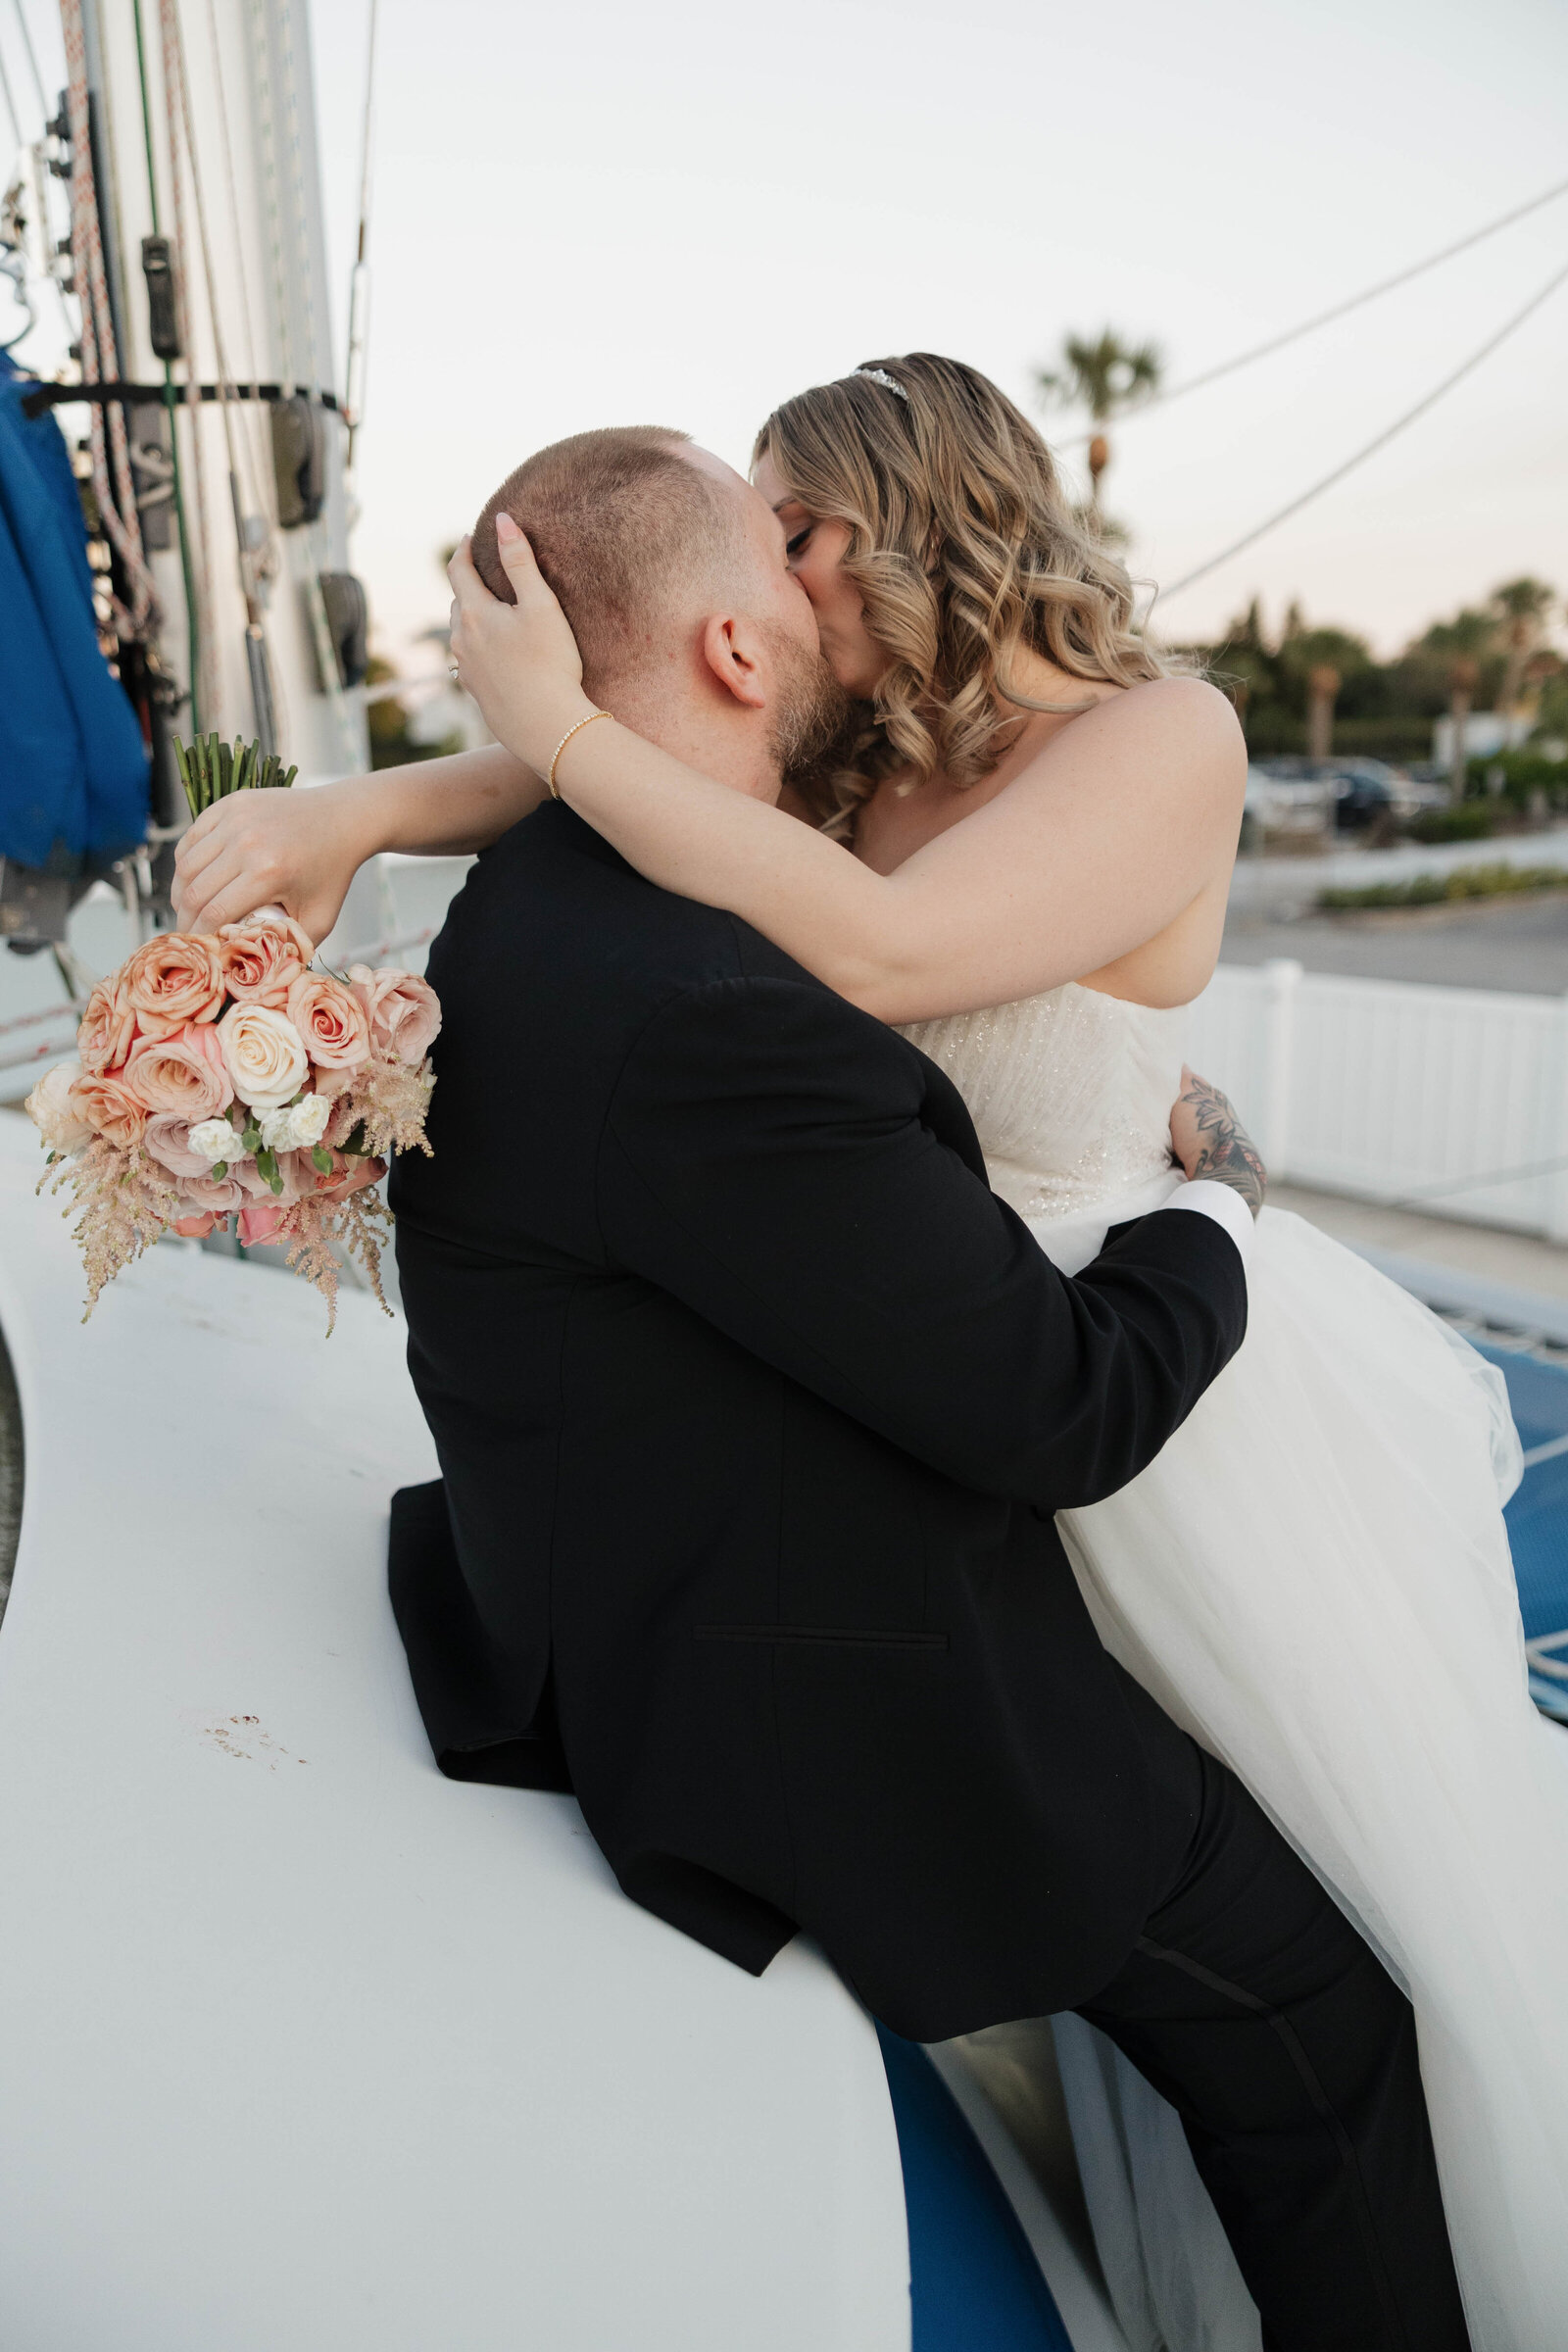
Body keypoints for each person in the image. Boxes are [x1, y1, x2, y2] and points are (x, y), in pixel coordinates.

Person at [175, 398, 1488, 2349]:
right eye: (754, 550)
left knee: (1366, 1898)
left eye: (794, 528)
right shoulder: (790, 803)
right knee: (1271, 1997)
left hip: (1100, 1354)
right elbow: (643, 785)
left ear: (909, 523)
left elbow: (838, 921)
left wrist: (511, 746)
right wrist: (378, 797)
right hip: (989, 1390)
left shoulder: (1150, 740)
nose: (772, 586)